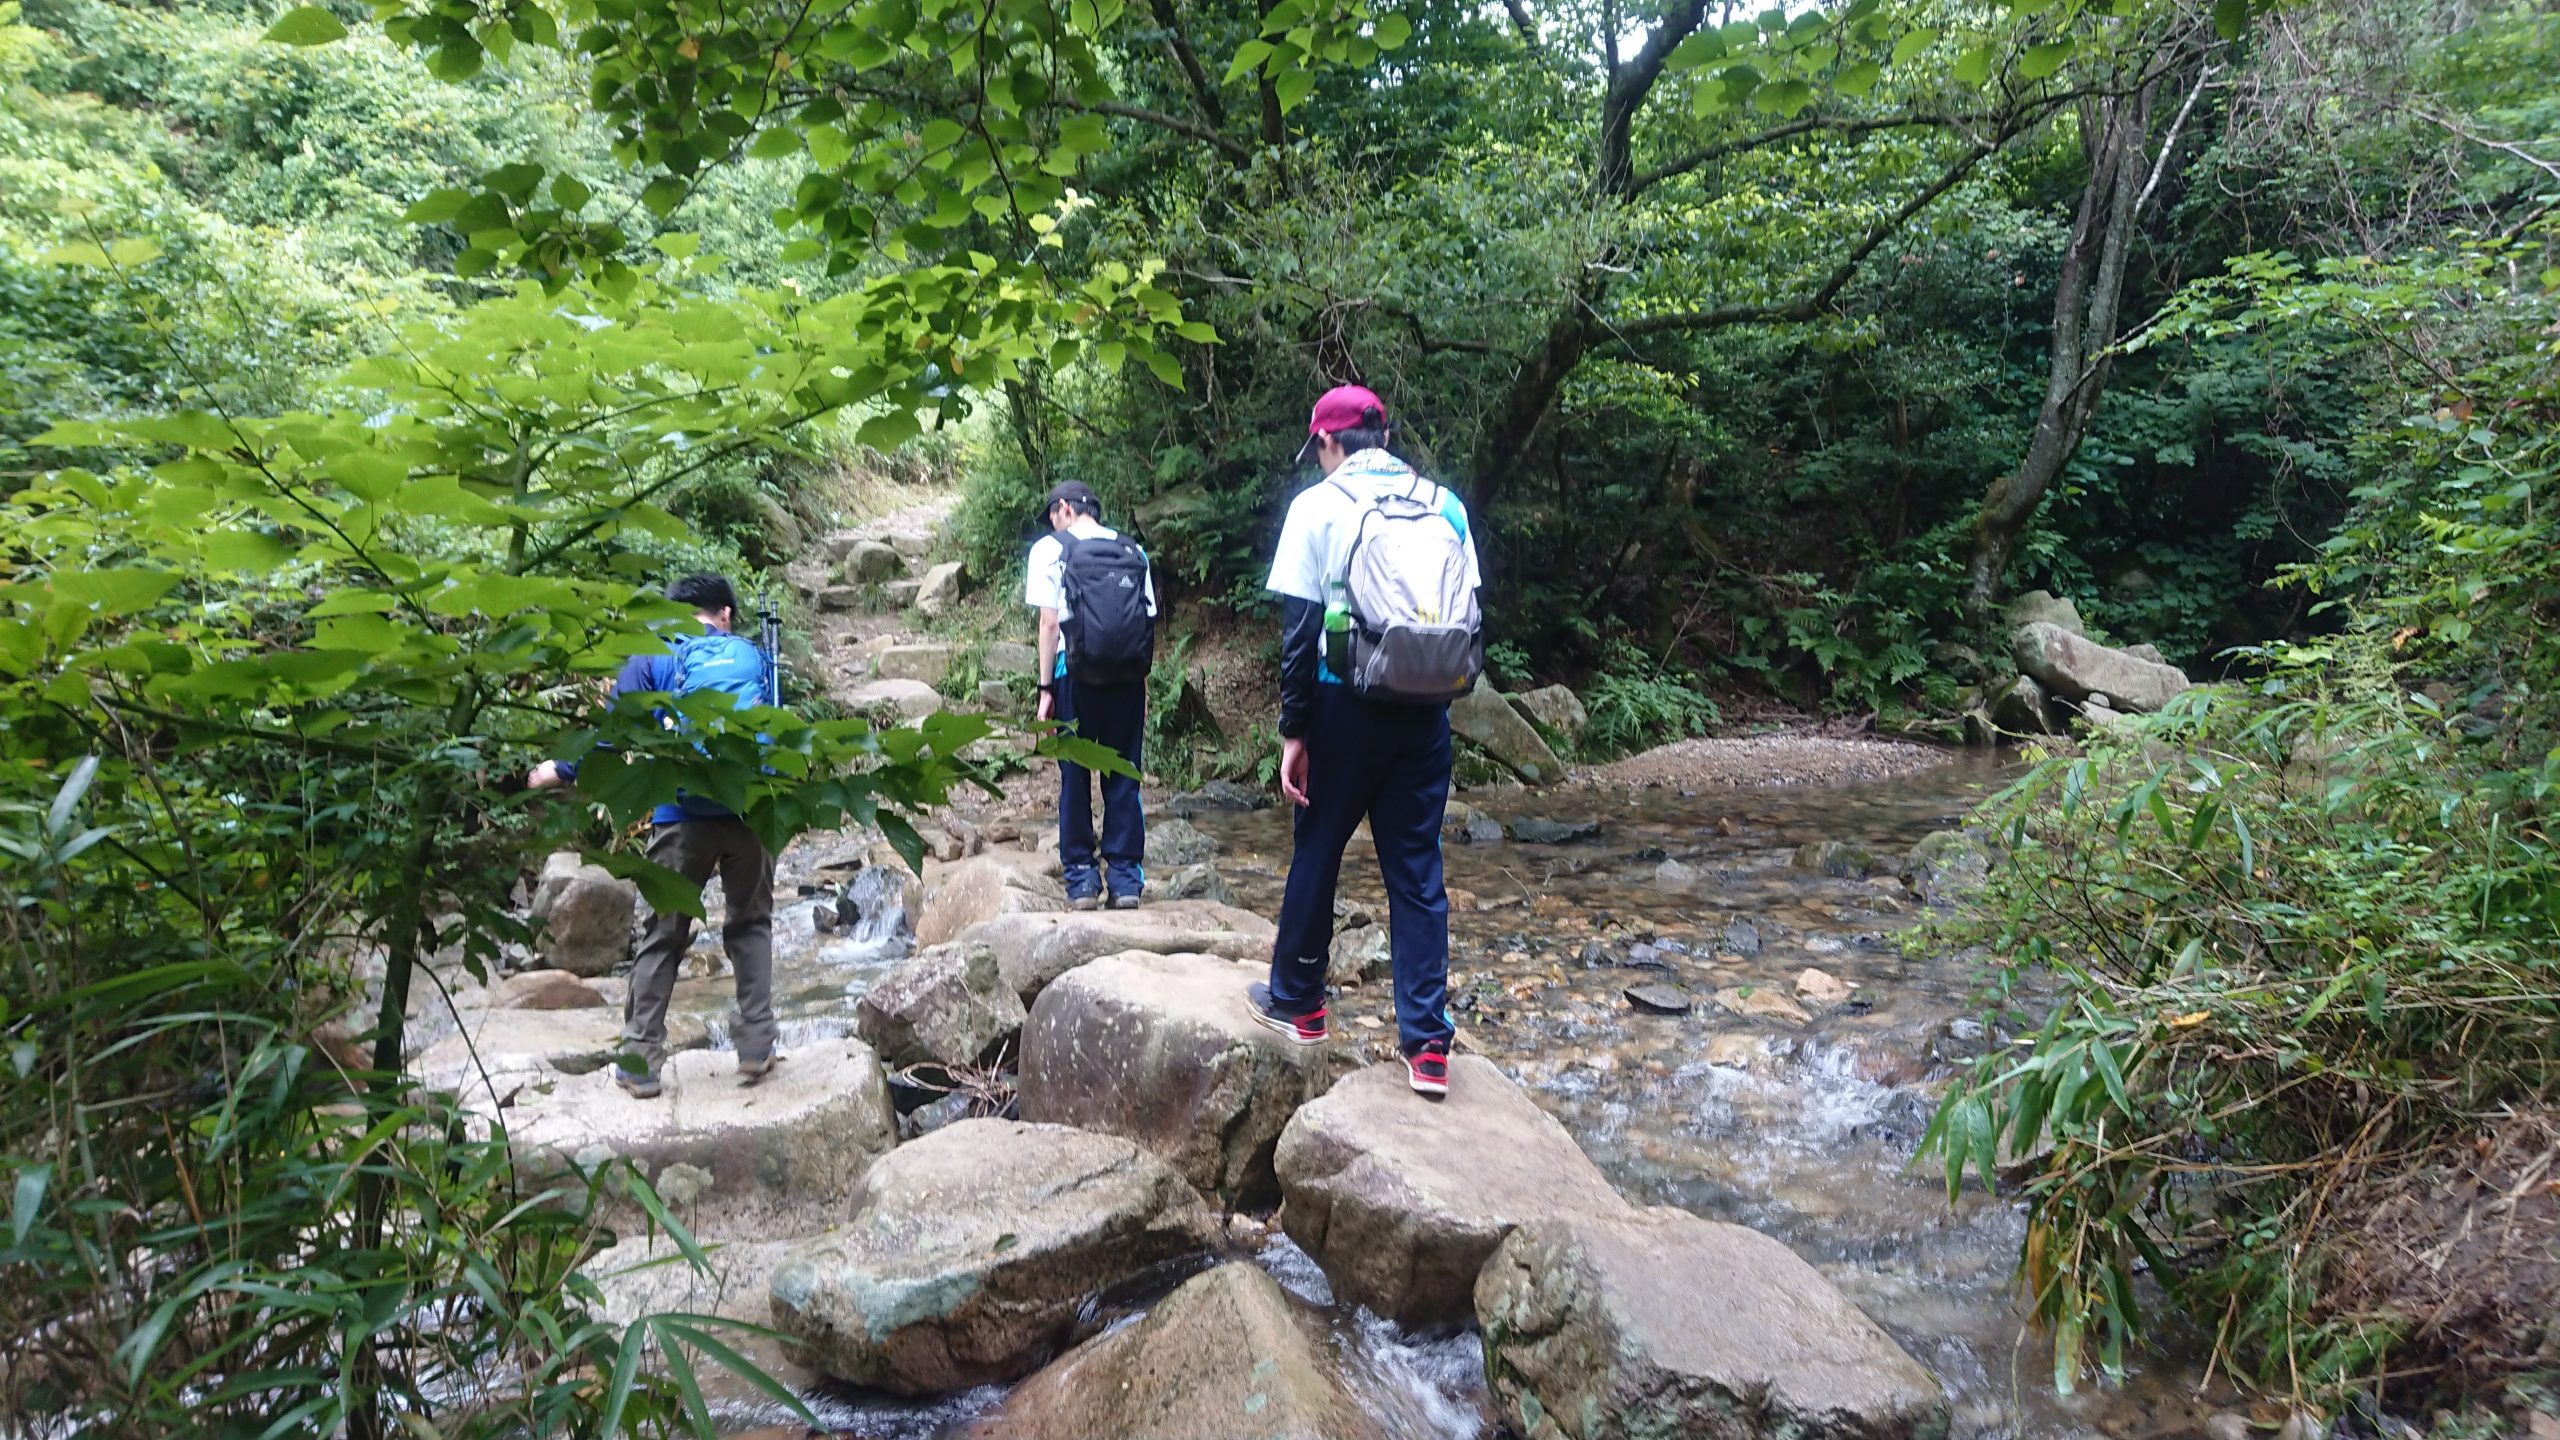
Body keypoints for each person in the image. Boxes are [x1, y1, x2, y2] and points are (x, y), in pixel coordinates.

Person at [1248, 385, 1481, 1099]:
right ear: (1383, 436)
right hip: (1426, 710)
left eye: (1317, 448)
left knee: (1318, 849)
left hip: (1340, 704)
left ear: (1328, 442)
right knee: (1416, 870)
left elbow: (1299, 634)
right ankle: (1428, 1046)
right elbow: (1467, 610)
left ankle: (1300, 1004)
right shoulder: (1444, 504)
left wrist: (1293, 732)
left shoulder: (1316, 506)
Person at [527, 573, 778, 1099]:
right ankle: (756, 1048)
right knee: (751, 924)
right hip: (750, 811)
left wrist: (562, 768)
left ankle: (640, 1063)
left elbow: (613, 730)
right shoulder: (752, 656)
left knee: (664, 934)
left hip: (681, 813)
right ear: (725, 613)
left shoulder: (654, 653)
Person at [1024, 480, 1158, 909]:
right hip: (1126, 678)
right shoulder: (1132, 550)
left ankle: (1082, 880)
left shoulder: (1049, 550)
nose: (1051, 524)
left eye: (1052, 515)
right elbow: (1145, 622)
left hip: (1073, 676)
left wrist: (1045, 689)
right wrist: (1142, 684)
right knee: (1124, 776)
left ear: (1065, 508)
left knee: (1075, 778)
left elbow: (1049, 624)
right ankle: (1125, 881)